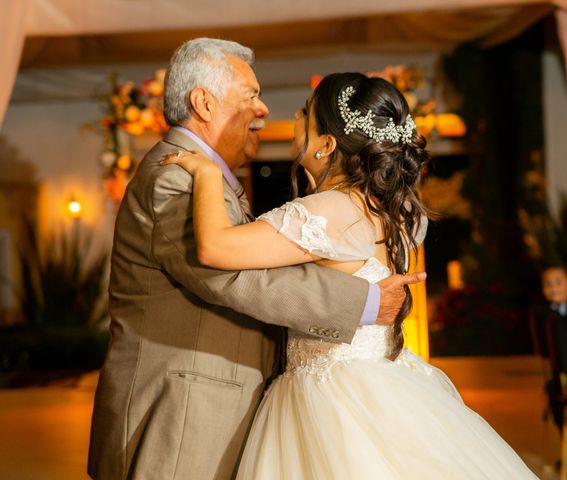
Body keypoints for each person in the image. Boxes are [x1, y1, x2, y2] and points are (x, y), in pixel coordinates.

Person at [163, 72, 538, 479]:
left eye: (305, 113)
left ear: (326, 145)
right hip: (384, 385)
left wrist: (206, 174)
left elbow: (215, 248)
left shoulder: (328, 209)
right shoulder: (394, 209)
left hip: (329, 399)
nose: (294, 116)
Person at [87, 39, 423, 480]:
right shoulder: (175, 176)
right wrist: (359, 303)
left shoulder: (212, 178)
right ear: (203, 103)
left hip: (281, 403)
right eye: (251, 96)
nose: (265, 111)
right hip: (181, 414)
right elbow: (229, 277)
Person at [530, 264, 567, 464]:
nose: (553, 287)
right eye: (548, 284)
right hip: (562, 374)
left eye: (558, 282)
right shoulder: (546, 313)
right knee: (554, 398)